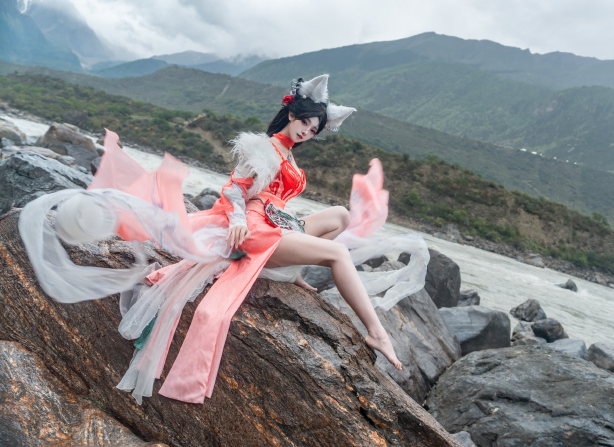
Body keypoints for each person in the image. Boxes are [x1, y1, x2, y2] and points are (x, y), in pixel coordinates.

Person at [19, 75, 429, 404]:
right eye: (305, 122)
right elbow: (234, 189)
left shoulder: (288, 154)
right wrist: (235, 221)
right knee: (338, 253)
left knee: (340, 214)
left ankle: (292, 270)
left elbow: (278, 199)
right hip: (254, 229)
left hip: (279, 223)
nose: (308, 131)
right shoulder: (263, 147)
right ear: (292, 113)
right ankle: (376, 331)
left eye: (315, 129)